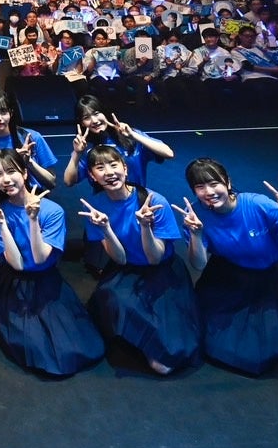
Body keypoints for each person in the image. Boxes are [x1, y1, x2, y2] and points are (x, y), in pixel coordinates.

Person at [175, 157, 278, 375]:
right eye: (200, 187)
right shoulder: (195, 216)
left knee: (261, 358)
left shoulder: (258, 204)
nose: (208, 192)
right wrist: (196, 235)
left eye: (214, 183)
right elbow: (198, 265)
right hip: (225, 280)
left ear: (227, 182)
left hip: (266, 281)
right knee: (210, 344)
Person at [0, 149, 104, 378]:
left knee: (73, 348)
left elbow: (40, 258)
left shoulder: (52, 211)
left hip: (47, 280)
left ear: (25, 173)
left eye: (11, 171)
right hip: (14, 284)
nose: (5, 179)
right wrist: (2, 225)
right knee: (35, 348)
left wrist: (33, 220)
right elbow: (15, 264)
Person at [77, 144, 201, 375]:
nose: (109, 172)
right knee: (115, 300)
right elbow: (120, 259)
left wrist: (145, 226)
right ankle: (143, 346)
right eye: (100, 168)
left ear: (125, 168)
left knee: (171, 354)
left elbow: (155, 258)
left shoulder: (154, 200)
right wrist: (105, 229)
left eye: (114, 165)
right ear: (92, 176)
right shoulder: (94, 207)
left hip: (162, 271)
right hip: (127, 270)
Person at [61, 95, 175, 190]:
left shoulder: (130, 137)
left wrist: (133, 136)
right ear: (82, 123)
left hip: (138, 201)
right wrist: (76, 153)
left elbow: (168, 153)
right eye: (87, 117)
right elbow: (68, 181)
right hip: (106, 206)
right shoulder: (86, 148)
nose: (94, 121)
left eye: (96, 113)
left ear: (105, 113)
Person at [0, 90, 58, 190]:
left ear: (11, 113)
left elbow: (51, 182)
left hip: (34, 197)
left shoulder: (32, 138)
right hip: (1, 202)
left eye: (4, 112)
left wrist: (29, 162)